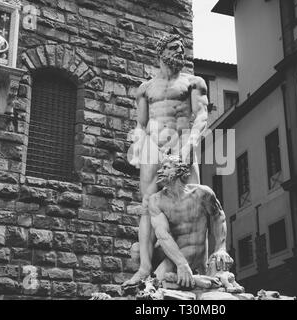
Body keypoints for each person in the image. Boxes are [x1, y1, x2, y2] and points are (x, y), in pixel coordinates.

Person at [122, 33, 209, 286]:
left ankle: (197, 265)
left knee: (193, 201)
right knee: (148, 204)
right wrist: (138, 149)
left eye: (182, 48)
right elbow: (140, 124)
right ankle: (144, 268)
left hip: (182, 143)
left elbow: (201, 116)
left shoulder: (193, 82)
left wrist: (190, 145)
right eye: (174, 48)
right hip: (153, 147)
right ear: (161, 52)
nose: (180, 52)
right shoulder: (145, 89)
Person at [148, 155, 233, 287]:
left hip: (200, 255)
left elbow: (219, 217)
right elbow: (163, 235)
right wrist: (181, 263)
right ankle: (194, 280)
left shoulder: (202, 193)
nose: (160, 171)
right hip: (177, 257)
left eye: (165, 168)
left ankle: (192, 279)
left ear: (179, 171)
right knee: (154, 285)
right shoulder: (156, 200)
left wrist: (221, 248)